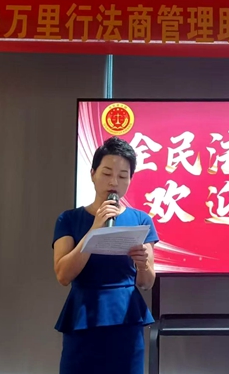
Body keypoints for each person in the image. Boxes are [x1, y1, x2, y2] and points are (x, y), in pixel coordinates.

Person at [52, 137, 159, 374]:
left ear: (130, 180)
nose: (114, 182)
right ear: (92, 174)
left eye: (123, 176)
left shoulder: (142, 220)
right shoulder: (68, 219)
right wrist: (95, 229)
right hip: (82, 315)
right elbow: (63, 275)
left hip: (126, 316)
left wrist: (142, 265)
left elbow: (146, 283)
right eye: (107, 173)